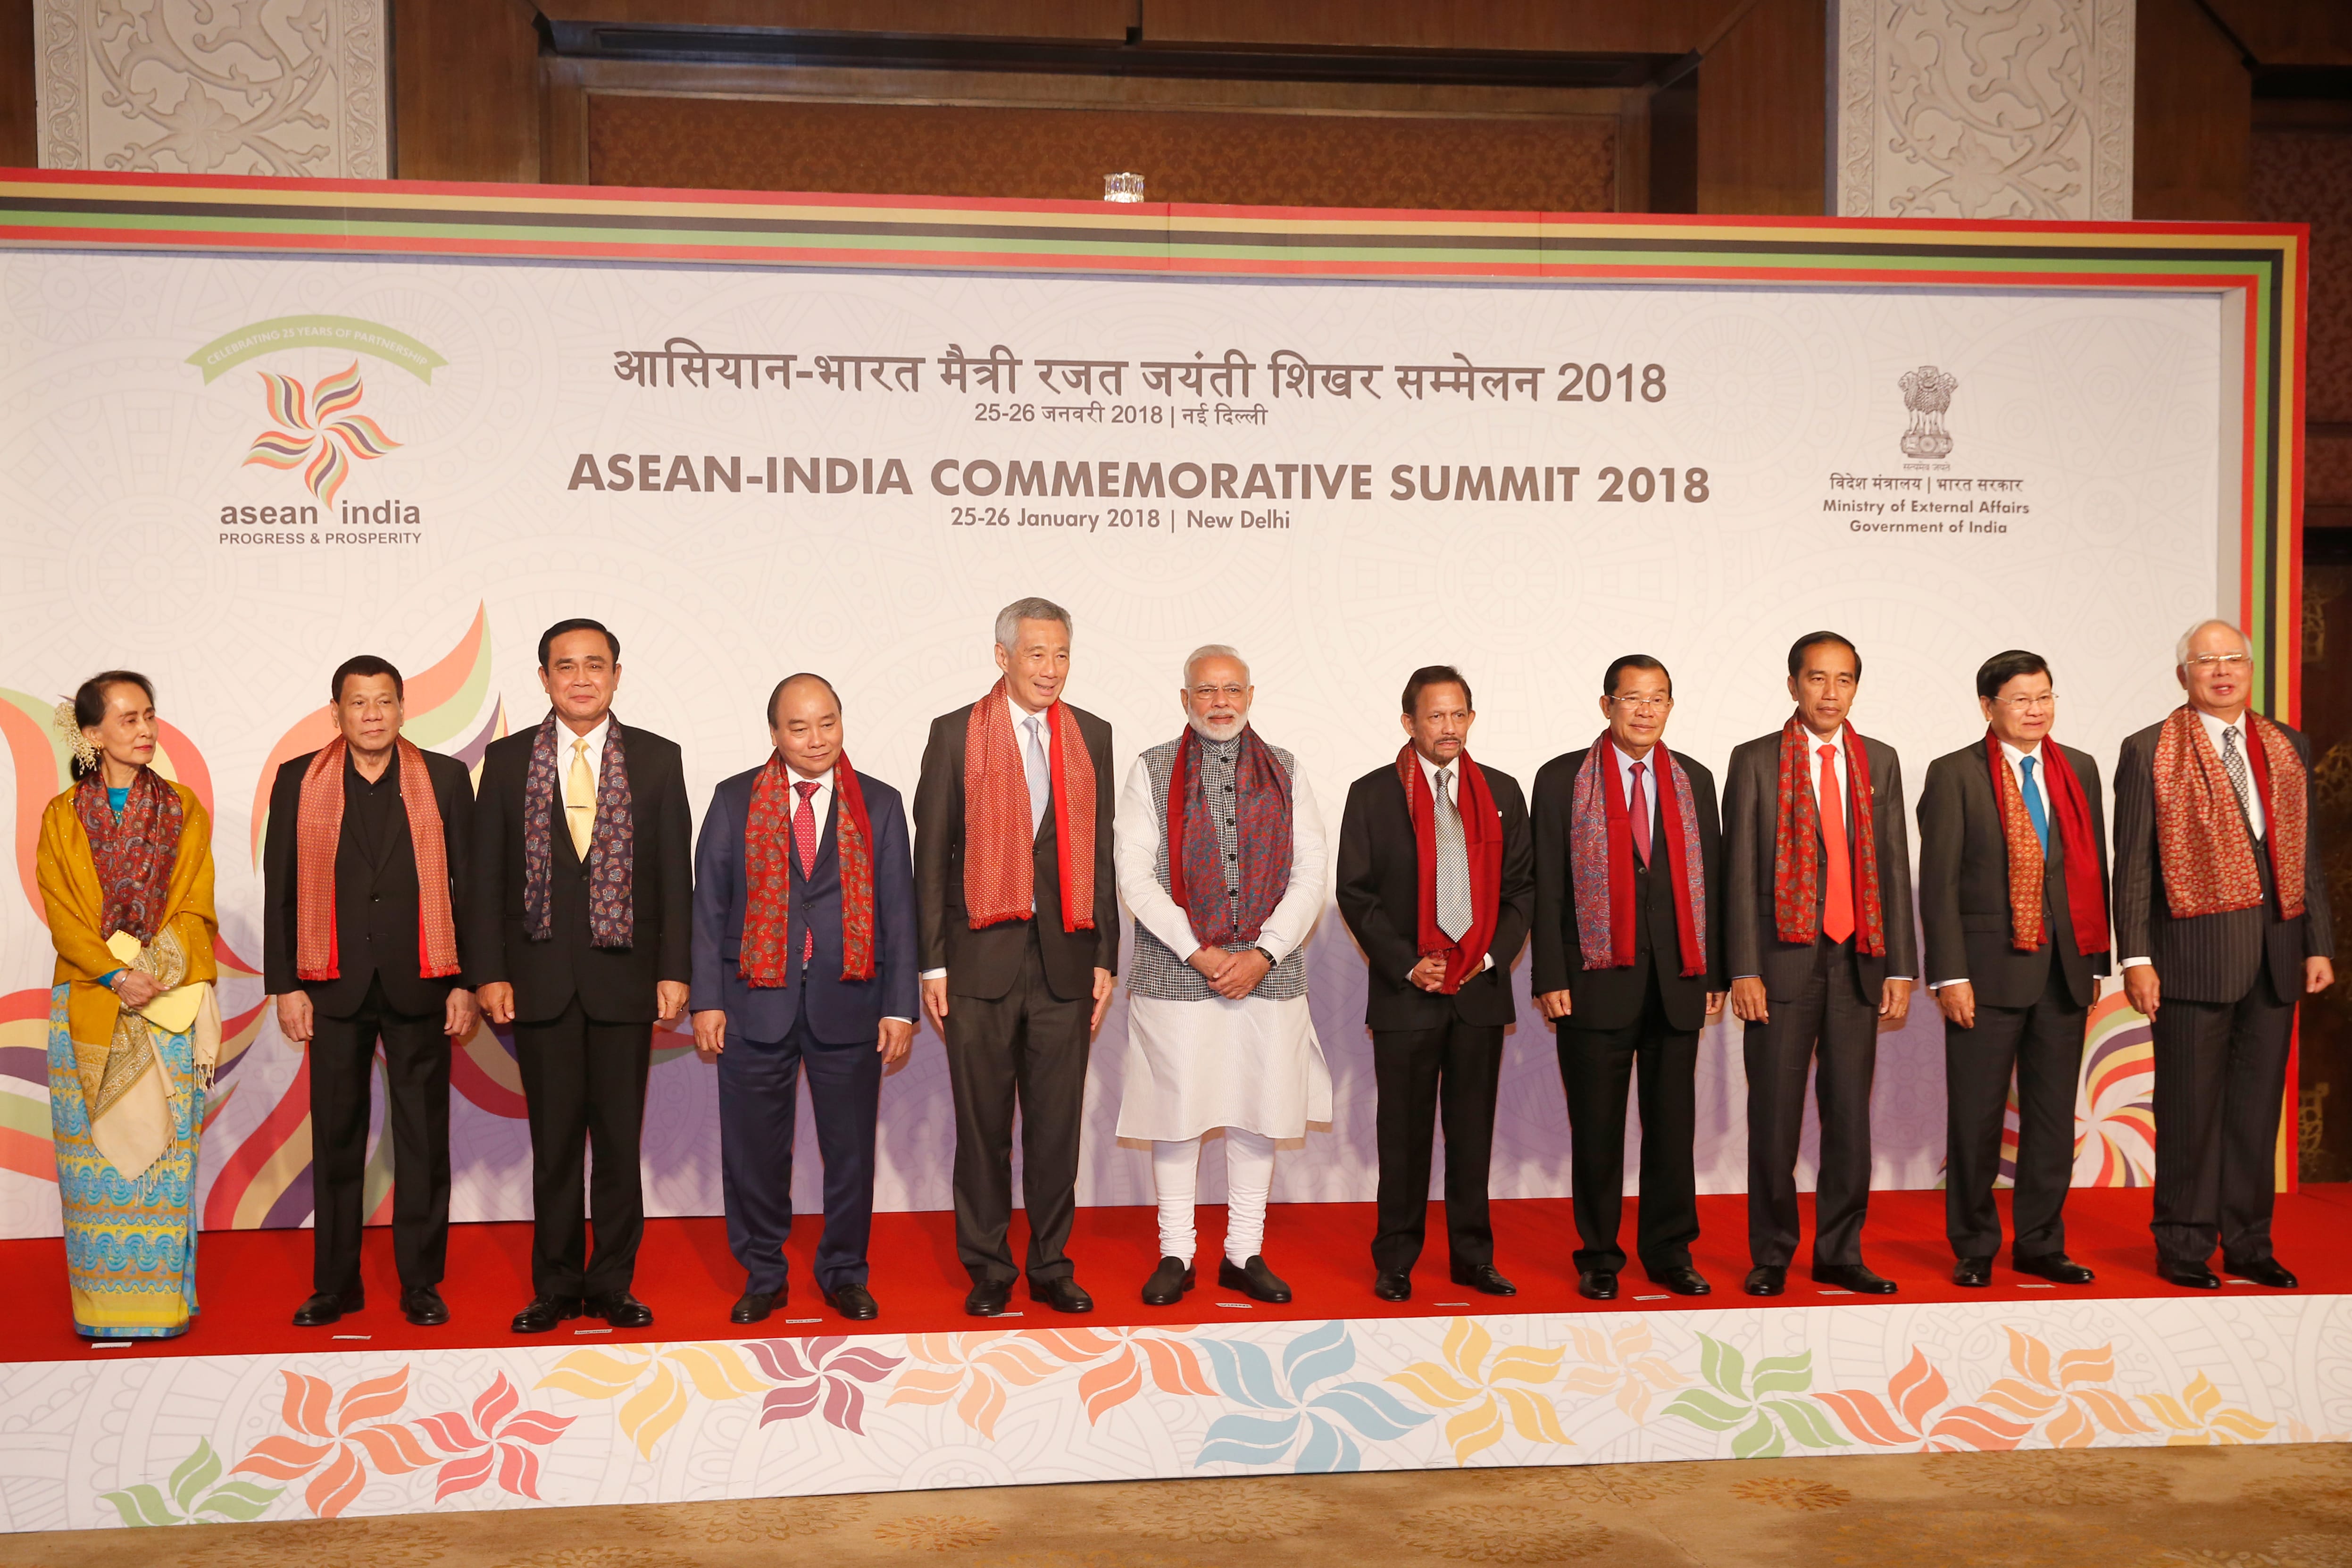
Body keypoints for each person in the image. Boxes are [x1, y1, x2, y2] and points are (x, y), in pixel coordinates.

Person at [467, 619, 692, 1333]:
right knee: (556, 1146)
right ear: (544, 679)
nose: (582, 678)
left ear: (617, 675)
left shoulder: (657, 759)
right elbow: (484, 876)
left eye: (596, 665)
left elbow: (674, 877)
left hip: (626, 981)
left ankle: (614, 1284)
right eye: (566, 666)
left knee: (619, 1145)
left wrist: (675, 969)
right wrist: (489, 972)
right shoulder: (506, 762)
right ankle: (556, 1286)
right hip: (538, 982)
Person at [2113, 619, 2334, 1290]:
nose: (2221, 671)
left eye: (2233, 659)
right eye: (2206, 661)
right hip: (2191, 960)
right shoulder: (2148, 749)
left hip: (2277, 956)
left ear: (2249, 669)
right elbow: (2132, 865)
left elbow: (2304, 854)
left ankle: (2248, 1244)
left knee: (2254, 1116)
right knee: (2187, 1113)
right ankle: (2182, 1245)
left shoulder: (2287, 745)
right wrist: (2136, 959)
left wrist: (2318, 944)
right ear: (2183, 675)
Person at [914, 596, 1118, 1317]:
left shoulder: (1092, 735)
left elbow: (1099, 852)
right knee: (983, 1130)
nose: (1050, 669)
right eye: (1036, 654)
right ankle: (989, 1267)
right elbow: (931, 856)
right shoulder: (953, 735)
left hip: (1066, 962)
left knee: (1056, 1130)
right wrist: (933, 965)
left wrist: (1105, 956)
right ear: (1002, 657)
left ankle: (1052, 1264)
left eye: (1061, 654)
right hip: (978, 963)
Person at [690, 674, 917, 1324]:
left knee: (850, 1154)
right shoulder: (734, 799)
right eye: (799, 727)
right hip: (752, 1002)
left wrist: (899, 1006)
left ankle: (845, 1272)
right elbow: (708, 905)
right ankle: (764, 1273)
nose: (816, 739)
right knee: (754, 1154)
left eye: (827, 723)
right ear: (774, 733)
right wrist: (706, 1000)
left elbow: (899, 910)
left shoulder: (879, 802)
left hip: (851, 1002)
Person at [263, 655, 480, 1328]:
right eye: (358, 703)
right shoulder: (299, 780)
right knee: (335, 1139)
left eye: (384, 702)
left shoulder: (444, 778)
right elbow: (281, 888)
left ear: (403, 708)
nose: (372, 715)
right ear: (336, 712)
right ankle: (336, 1285)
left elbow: (470, 887)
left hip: (423, 982)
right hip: (331, 985)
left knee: (423, 1140)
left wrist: (466, 981)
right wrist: (285, 985)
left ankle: (421, 1282)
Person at [1115, 646, 1331, 1306]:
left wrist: (1264, 953)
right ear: (1185, 699)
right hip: (1176, 974)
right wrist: (1197, 952)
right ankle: (1176, 1253)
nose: (1220, 702)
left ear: (1250, 696)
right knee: (1176, 1113)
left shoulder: (1286, 770)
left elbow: (1310, 872)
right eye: (1206, 691)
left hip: (1268, 974)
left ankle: (1243, 1252)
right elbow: (1135, 876)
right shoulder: (1152, 768)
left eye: (1232, 689)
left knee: (1258, 1111)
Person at [1724, 631, 1917, 1297]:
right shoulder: (1754, 760)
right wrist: (1741, 968)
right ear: (1793, 685)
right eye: (1817, 678)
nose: (1830, 692)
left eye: (1844, 680)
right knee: (1774, 1120)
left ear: (1855, 688)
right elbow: (1738, 870)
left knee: (1850, 1120)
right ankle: (1772, 1254)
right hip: (1779, 965)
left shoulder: (1879, 760)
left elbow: (1893, 864)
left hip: (1858, 962)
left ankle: (1840, 1252)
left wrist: (1900, 967)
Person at [1336, 665, 1534, 1303]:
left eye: (1458, 715)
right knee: (1403, 1137)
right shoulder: (1372, 795)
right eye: (1435, 716)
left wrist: (1488, 957)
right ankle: (1395, 1261)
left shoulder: (1502, 791)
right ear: (1409, 723)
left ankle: (1474, 1260)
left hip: (1478, 993)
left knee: (1472, 1136)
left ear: (1470, 719)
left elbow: (1521, 891)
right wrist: (1405, 962)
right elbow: (1356, 893)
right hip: (1406, 995)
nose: (1448, 728)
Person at [1531, 654, 1723, 1301]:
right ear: (1606, 704)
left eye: (1658, 698)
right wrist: (1549, 974)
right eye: (1633, 698)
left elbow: (1713, 879)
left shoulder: (1694, 779)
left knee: (1672, 1130)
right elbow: (1546, 885)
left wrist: (1713, 972)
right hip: (1591, 983)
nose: (1646, 710)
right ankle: (1599, 1257)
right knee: (1597, 1132)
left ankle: (1670, 1252)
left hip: (1676, 982)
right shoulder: (1561, 779)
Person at [1917, 651, 2110, 1289]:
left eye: (2044, 697)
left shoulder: (2078, 768)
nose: (2035, 710)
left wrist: (2094, 961)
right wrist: (1949, 975)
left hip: (2063, 970)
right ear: (1987, 706)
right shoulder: (1954, 774)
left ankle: (2040, 1244)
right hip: (1985, 974)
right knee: (1976, 1118)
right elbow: (1938, 885)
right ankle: (1973, 1245)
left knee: (2052, 1119)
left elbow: (2091, 868)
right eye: (2021, 699)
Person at [36, 672, 219, 1339]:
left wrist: (148, 975)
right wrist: (116, 975)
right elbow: (63, 917)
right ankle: (102, 1311)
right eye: (127, 719)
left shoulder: (182, 808)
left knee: (169, 1164)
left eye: (149, 716)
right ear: (92, 734)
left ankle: (162, 1307)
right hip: (88, 1004)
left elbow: (195, 907)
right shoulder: (61, 816)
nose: (145, 730)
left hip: (165, 1003)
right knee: (91, 1171)